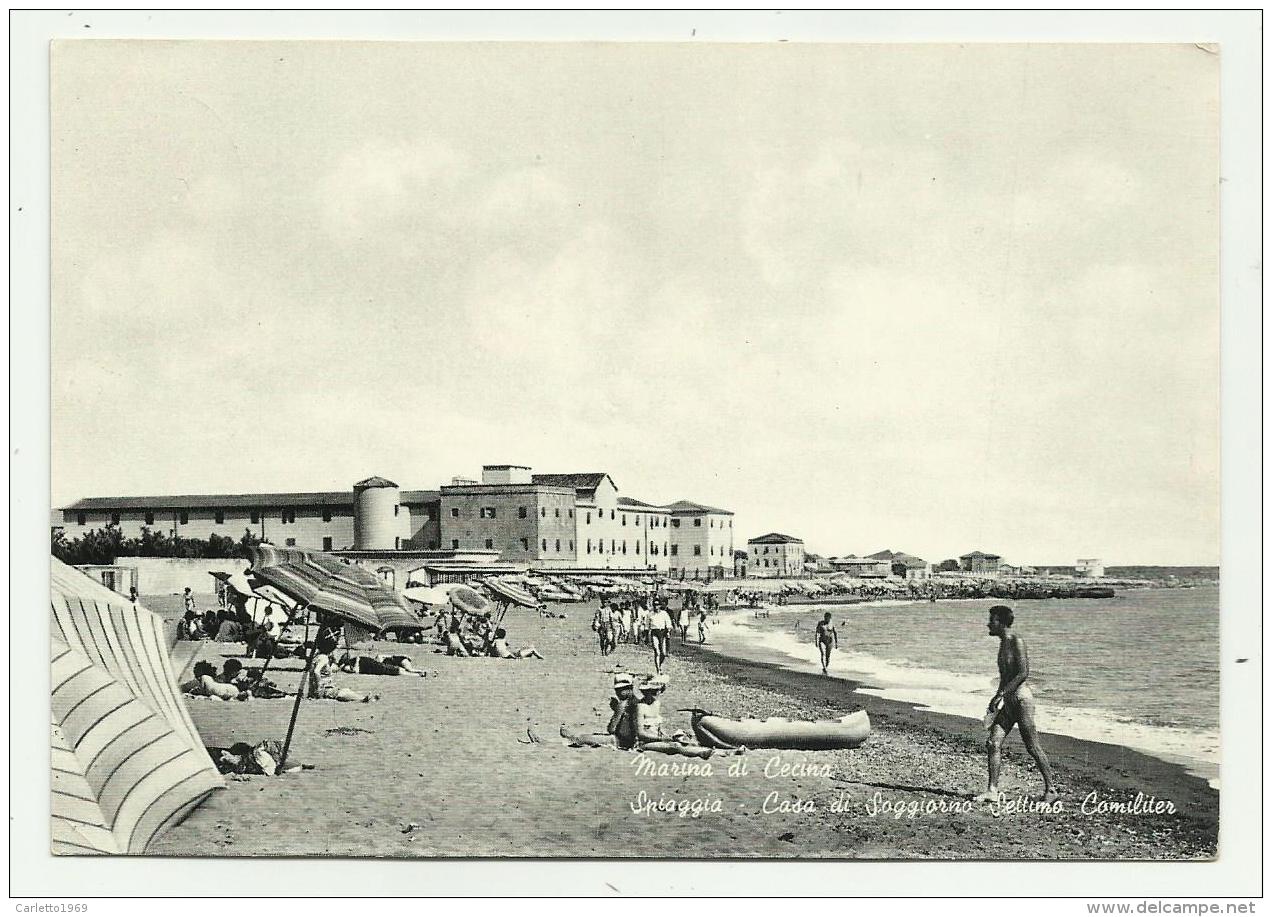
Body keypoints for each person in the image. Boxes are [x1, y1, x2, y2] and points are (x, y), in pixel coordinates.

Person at [974, 605, 1059, 803]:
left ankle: (1051, 789)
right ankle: (992, 791)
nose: (988, 624)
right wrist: (996, 697)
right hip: (1009, 702)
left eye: (992, 620)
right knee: (993, 743)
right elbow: (1005, 677)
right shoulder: (1003, 644)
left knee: (1032, 746)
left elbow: (1023, 673)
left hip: (1022, 700)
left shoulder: (1016, 641)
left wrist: (1002, 693)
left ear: (1001, 623)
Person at [561, 673, 639, 750]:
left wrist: (616, 710)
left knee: (584, 738)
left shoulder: (623, 704)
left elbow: (611, 729)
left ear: (629, 688)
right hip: (633, 741)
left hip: (621, 741)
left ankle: (572, 737)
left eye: (619, 690)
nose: (618, 693)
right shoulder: (636, 701)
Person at [307, 654, 379, 703]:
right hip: (325, 689)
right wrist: (319, 688)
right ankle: (362, 699)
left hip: (322, 689)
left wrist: (312, 691)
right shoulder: (324, 658)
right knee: (343, 692)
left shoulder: (317, 657)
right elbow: (316, 671)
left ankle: (362, 698)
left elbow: (312, 675)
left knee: (345, 690)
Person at [181, 661, 250, 701]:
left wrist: (194, 692)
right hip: (230, 690)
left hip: (225, 690)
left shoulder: (205, 678)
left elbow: (205, 689)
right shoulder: (222, 679)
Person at [649, 603, 673, 674]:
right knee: (657, 651)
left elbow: (668, 623)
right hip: (654, 632)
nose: (656, 607)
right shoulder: (650, 614)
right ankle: (658, 670)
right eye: (654, 605)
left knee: (663, 653)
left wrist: (668, 631)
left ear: (659, 606)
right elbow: (647, 625)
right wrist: (646, 635)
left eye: (657, 605)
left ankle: (659, 664)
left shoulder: (664, 613)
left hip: (663, 633)